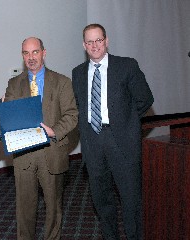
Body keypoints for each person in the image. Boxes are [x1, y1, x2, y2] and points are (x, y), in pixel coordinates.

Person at [72, 24, 154, 240]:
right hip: (92, 143)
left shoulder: (126, 66)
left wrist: (126, 122)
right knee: (102, 200)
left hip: (122, 143)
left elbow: (145, 99)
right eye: (89, 42)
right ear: (84, 45)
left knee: (130, 200)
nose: (94, 45)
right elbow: (80, 107)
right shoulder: (77, 73)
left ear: (106, 41)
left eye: (98, 40)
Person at [4, 37, 78, 240]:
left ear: (44, 53)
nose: (31, 57)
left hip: (52, 152)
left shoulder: (62, 82)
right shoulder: (13, 84)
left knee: (54, 207)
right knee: (24, 208)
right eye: (26, 53)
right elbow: (10, 118)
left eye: (35, 52)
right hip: (24, 155)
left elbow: (72, 115)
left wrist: (54, 130)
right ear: (22, 56)